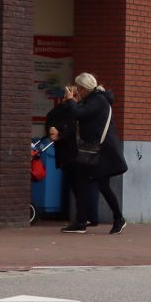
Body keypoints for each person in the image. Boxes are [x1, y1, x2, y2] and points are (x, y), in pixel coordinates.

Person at [67, 72, 128, 234]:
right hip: (93, 151)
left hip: (102, 152)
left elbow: (80, 114)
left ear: (85, 88)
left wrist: (71, 101)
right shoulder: (92, 100)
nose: (77, 91)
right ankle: (81, 221)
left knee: (102, 185)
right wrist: (75, 102)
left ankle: (118, 218)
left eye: (79, 88)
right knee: (83, 183)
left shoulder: (98, 100)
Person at [47, 85, 99, 233]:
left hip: (79, 154)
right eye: (68, 95)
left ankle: (83, 219)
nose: (69, 98)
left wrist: (60, 134)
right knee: (78, 187)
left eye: (73, 95)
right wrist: (51, 128)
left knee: (81, 188)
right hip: (69, 155)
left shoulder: (81, 110)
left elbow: (73, 127)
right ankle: (86, 218)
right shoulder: (62, 110)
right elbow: (52, 118)